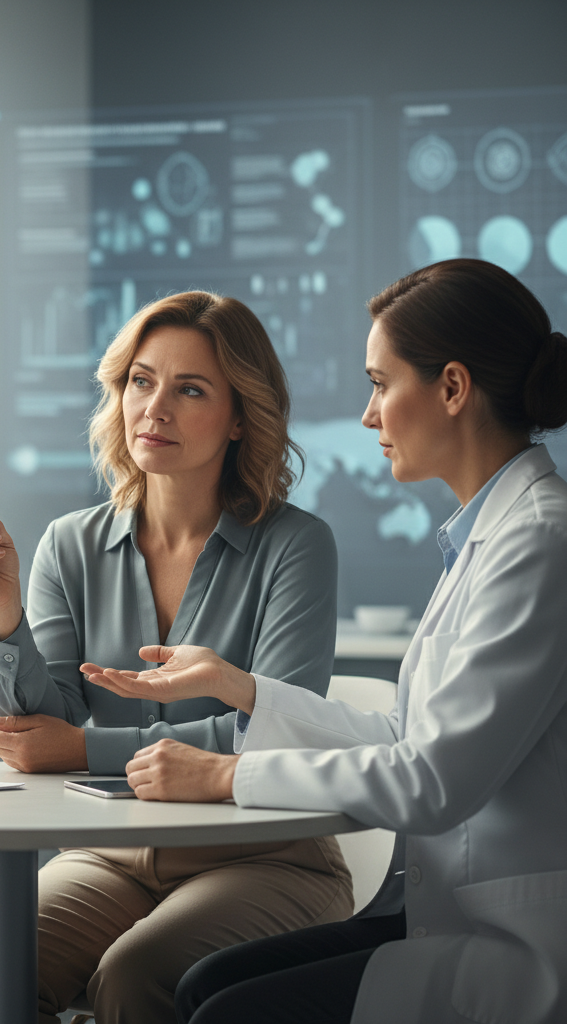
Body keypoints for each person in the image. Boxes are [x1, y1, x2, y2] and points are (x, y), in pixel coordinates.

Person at [85, 259, 567, 1024]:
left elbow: (431, 781)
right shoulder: (486, 536)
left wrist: (227, 777)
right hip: (441, 907)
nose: (369, 415)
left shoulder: (538, 543)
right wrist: (240, 686)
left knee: (221, 1009)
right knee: (202, 987)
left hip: (510, 940)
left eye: (380, 384)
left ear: (451, 389)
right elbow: (411, 738)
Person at [0, 291, 354, 1024]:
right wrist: (2, 610)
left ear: (239, 418)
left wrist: (88, 747)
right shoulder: (69, 543)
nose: (154, 408)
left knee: (136, 978)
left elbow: (275, 730)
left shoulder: (296, 546)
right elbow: (43, 732)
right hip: (112, 855)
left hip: (263, 856)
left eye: (189, 389)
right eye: (141, 381)